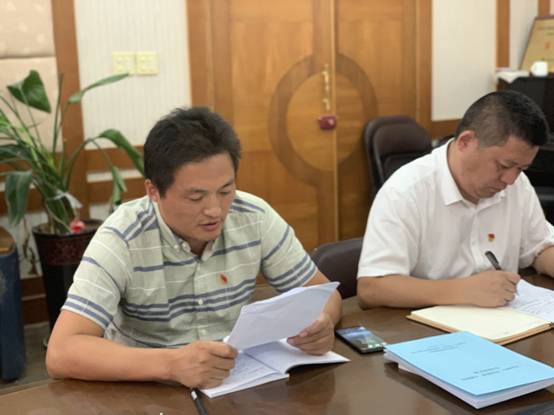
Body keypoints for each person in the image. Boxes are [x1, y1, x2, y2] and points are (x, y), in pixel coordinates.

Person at [46, 107, 341, 389]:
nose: (215, 210)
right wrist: (172, 364)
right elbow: (62, 352)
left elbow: (323, 294)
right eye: (196, 197)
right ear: (153, 191)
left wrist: (321, 324)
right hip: (146, 390)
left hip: (236, 381)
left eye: (225, 191)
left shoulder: (254, 217)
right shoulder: (121, 238)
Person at [357, 90, 554, 309]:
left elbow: (540, 247)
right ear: (466, 142)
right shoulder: (405, 192)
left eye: (521, 168)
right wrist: (462, 290)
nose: (510, 179)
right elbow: (372, 288)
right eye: (504, 166)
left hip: (506, 320)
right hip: (425, 326)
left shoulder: (517, 185)